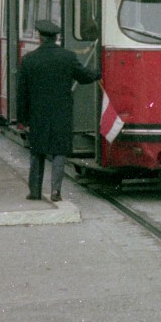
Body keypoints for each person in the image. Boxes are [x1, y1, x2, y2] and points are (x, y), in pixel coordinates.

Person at [16, 20, 101, 202]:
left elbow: (22, 93)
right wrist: (98, 73)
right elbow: (85, 76)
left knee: (37, 152)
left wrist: (22, 118)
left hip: (37, 115)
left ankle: (35, 191)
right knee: (59, 152)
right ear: (56, 38)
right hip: (61, 113)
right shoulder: (67, 57)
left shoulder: (29, 60)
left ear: (40, 37)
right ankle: (56, 191)